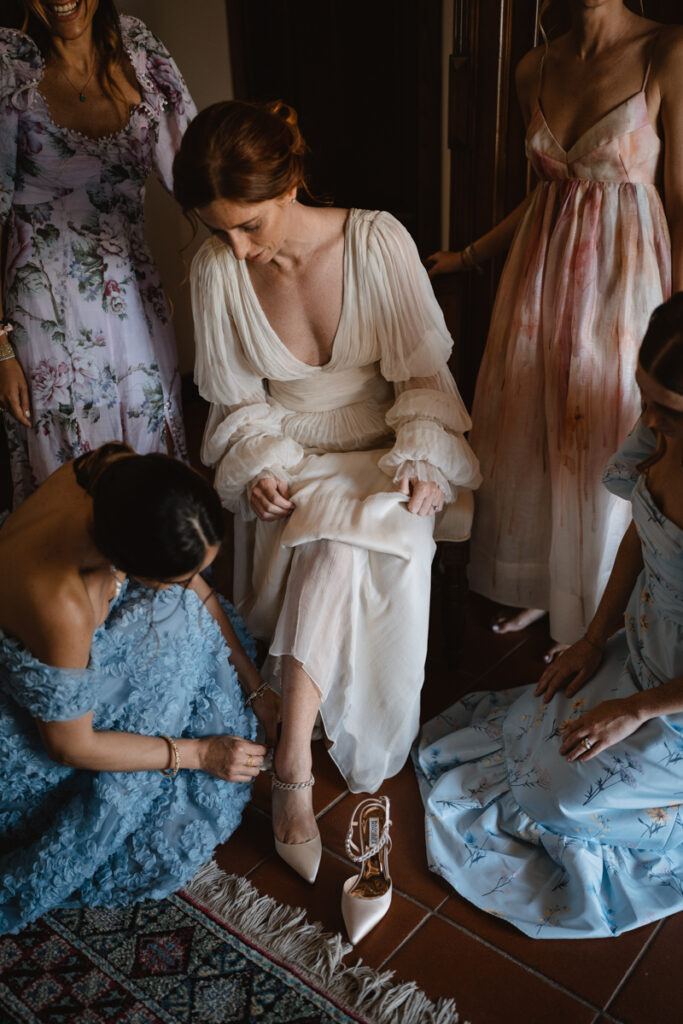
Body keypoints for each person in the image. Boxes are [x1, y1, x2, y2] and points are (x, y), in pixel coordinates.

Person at [173, 99, 481, 883]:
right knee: (329, 534)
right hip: (294, 460)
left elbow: (420, 376)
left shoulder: (375, 241)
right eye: (219, 230)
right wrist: (262, 462)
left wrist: (421, 457)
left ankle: (287, 767)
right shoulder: (217, 270)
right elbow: (238, 401)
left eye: (249, 225)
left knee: (344, 533)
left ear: (291, 184)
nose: (236, 250)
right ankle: (293, 772)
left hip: (383, 454)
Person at [414, 293, 683, 939]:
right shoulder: (657, 436)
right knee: (538, 721)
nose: (645, 418)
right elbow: (641, 539)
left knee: (557, 796)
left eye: (668, 411)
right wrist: (594, 640)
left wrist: (638, 708)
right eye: (643, 395)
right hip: (647, 644)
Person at [428, 0, 683, 658]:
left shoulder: (667, 53)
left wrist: (676, 327)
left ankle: (603, 612)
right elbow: (547, 192)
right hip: (536, 283)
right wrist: (469, 256)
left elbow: (680, 201)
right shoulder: (533, 66)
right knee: (540, 430)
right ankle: (555, 587)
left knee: (606, 433)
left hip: (628, 285)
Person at [0, 442, 278, 935]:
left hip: (63, 646)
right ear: (125, 563)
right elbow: (69, 745)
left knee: (187, 613)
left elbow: (195, 590)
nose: (193, 583)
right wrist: (198, 753)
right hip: (39, 731)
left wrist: (255, 689)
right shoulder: (62, 606)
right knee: (181, 624)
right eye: (177, 576)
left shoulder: (112, 475)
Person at [0, 0, 196, 505]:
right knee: (74, 463)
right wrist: (0, 347)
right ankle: (84, 583)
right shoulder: (8, 61)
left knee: (152, 437)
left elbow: (195, 173)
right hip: (45, 305)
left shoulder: (140, 48)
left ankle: (158, 579)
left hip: (135, 291)